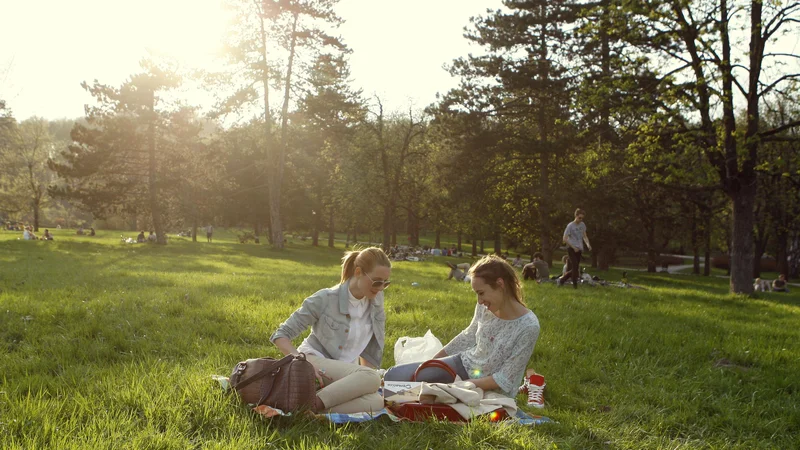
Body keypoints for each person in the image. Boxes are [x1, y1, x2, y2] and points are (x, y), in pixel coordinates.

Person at [385, 255, 540, 401]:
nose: (479, 301)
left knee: (400, 393)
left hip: (487, 386)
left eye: (481, 293)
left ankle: (430, 396)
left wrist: (458, 387)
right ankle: (427, 394)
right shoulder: (485, 307)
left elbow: (504, 379)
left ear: (500, 284)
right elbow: (468, 336)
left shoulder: (528, 326)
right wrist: (430, 362)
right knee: (392, 377)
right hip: (464, 363)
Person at [270, 247, 391, 414]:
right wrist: (302, 361)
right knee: (372, 378)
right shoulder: (325, 298)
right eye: (377, 282)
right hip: (315, 362)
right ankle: (313, 404)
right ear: (358, 272)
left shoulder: (376, 300)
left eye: (386, 283)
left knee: (376, 400)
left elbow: (369, 350)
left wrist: (363, 383)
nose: (381, 288)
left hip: (344, 373)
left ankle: (306, 408)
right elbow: (280, 335)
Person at [559, 209, 592, 288]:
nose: (581, 220)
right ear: (576, 216)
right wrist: (573, 247)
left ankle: (562, 279)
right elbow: (565, 238)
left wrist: (588, 244)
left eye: (582, 218)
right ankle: (575, 285)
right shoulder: (570, 226)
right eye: (579, 218)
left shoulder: (582, 225)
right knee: (575, 266)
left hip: (579, 248)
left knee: (576, 267)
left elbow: (584, 236)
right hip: (571, 248)